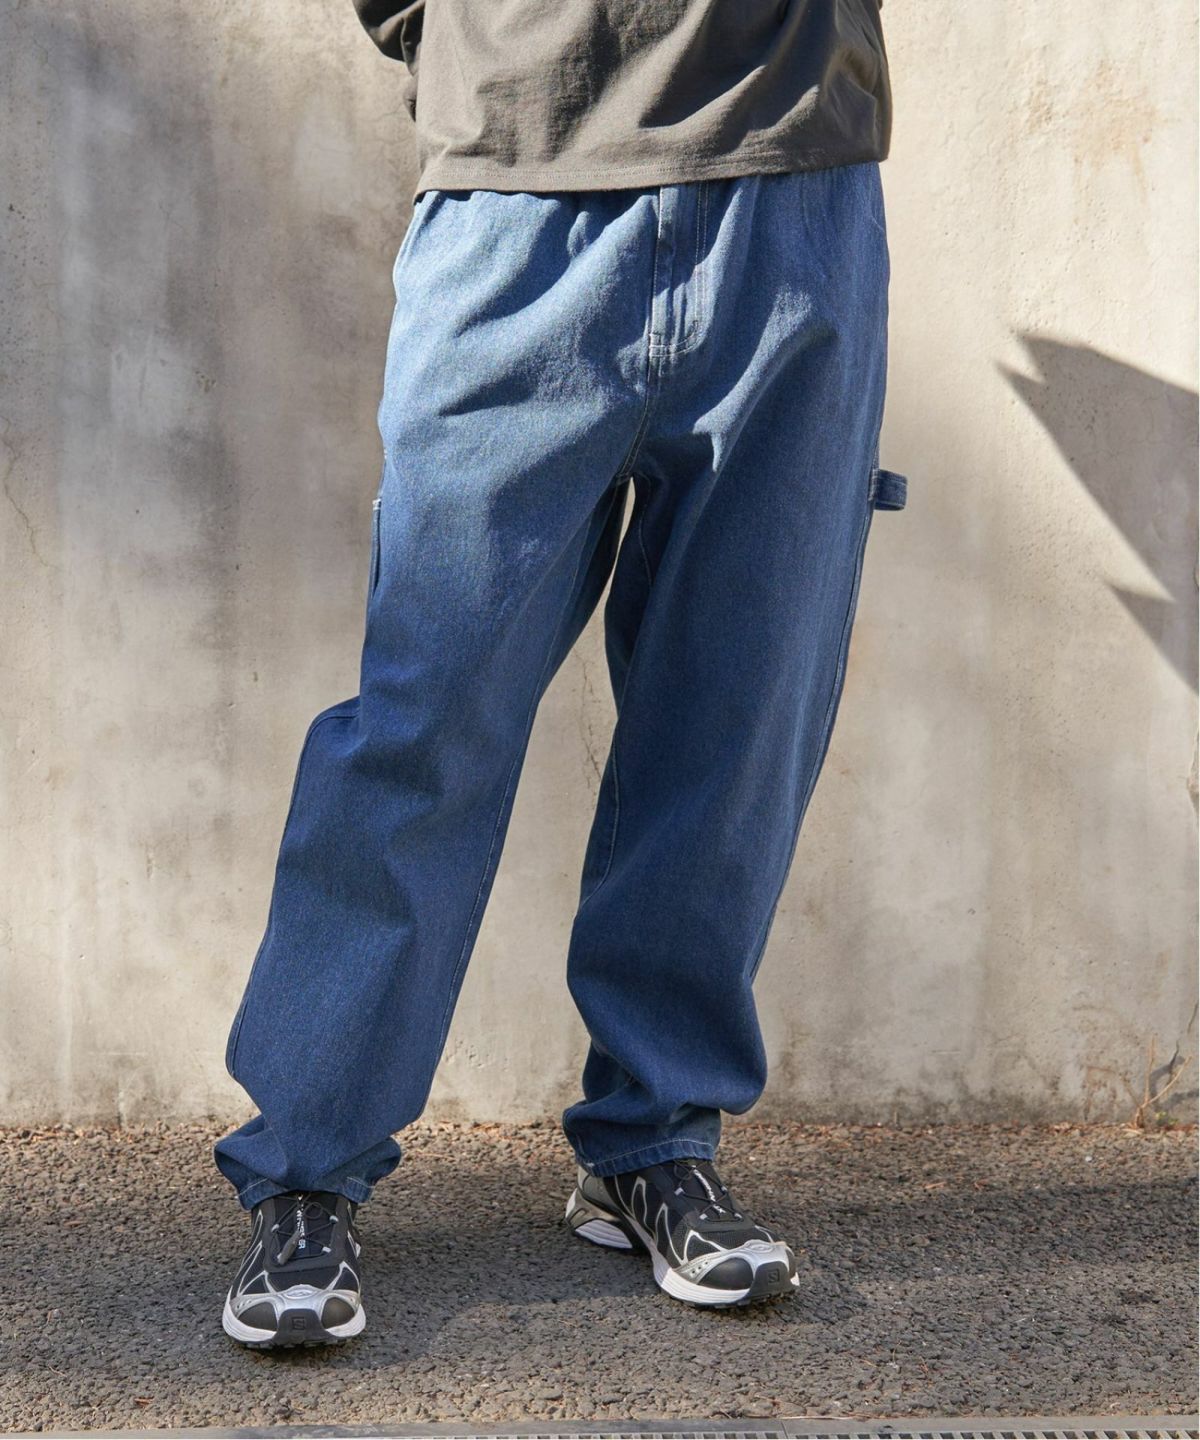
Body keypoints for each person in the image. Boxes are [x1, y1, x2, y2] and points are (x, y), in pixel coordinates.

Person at [215, 0, 907, 1348]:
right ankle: (305, 1168)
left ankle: (656, 1138)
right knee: (425, 719)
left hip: (793, 183)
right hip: (519, 190)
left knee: (736, 721)